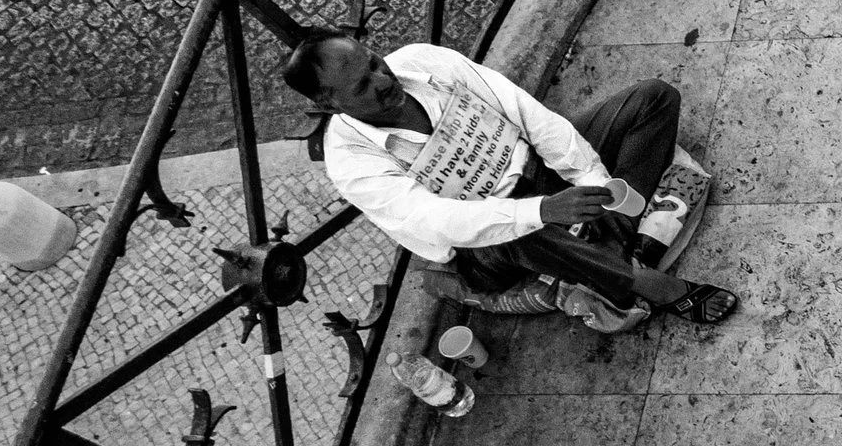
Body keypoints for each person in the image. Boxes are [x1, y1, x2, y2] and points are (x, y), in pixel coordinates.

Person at [283, 33, 734, 329]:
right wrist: (542, 210)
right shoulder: (350, 161)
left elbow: (525, 112)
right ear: (329, 103)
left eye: (375, 62)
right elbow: (436, 220)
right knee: (515, 234)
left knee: (653, 99)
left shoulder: (423, 61)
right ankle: (644, 281)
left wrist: (592, 181)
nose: (384, 79)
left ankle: (610, 247)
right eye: (364, 86)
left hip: (537, 167)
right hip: (491, 235)